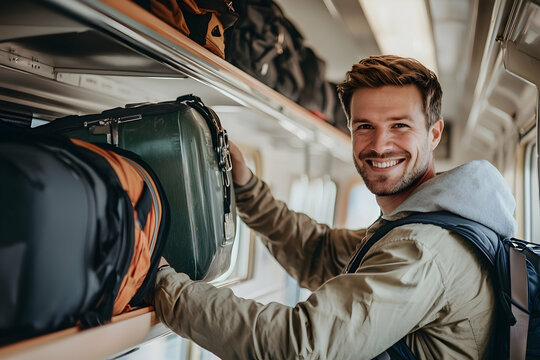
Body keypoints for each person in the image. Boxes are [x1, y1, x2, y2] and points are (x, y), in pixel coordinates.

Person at [150, 55, 517, 359]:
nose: (379, 144)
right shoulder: (419, 223)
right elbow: (318, 252)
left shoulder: (422, 249)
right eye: (364, 127)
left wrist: (166, 286)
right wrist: (245, 187)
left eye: (400, 125)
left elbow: (300, 346)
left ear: (434, 133)